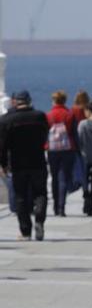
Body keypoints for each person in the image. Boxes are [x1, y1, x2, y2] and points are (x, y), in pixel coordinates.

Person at [0, 91, 49, 241]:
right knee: (40, 193)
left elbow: (2, 145)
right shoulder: (40, 116)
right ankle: (39, 219)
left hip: (18, 163)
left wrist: (3, 164)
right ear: (29, 100)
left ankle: (26, 232)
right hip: (38, 161)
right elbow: (45, 135)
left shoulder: (6, 120)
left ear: (15, 102)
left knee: (20, 196)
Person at [45, 90, 79, 217]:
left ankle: (55, 206)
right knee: (64, 177)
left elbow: (45, 133)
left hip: (52, 149)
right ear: (64, 100)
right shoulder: (69, 114)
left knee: (54, 178)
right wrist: (78, 149)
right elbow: (74, 133)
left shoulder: (48, 115)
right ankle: (61, 207)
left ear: (54, 101)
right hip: (67, 149)